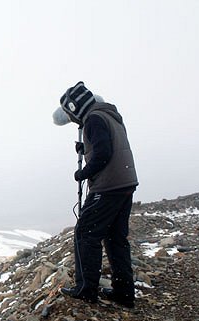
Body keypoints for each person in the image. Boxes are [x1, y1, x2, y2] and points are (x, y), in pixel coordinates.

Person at [53, 82, 139, 308]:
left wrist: (83, 172)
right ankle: (124, 292)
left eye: (71, 113)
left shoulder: (93, 119)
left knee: (85, 233)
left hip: (108, 186)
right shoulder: (108, 115)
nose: (71, 118)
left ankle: (85, 289)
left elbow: (103, 154)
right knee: (114, 238)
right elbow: (104, 146)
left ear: (76, 107)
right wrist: (86, 149)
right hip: (125, 183)